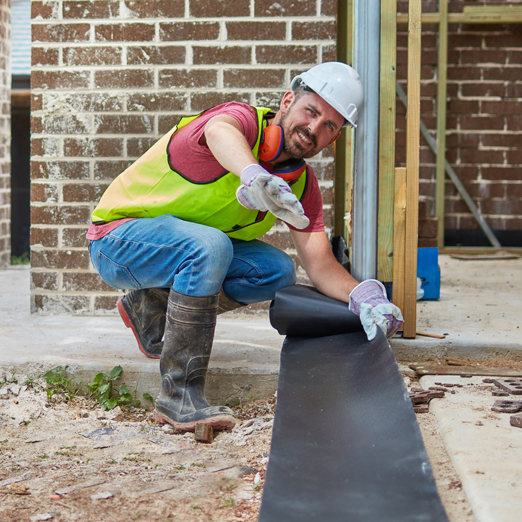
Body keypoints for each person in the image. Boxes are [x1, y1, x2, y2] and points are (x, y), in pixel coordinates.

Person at [86, 62, 403, 432]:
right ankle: (179, 398)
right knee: (211, 246)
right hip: (117, 238)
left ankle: (149, 309)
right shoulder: (241, 121)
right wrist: (252, 173)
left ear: (335, 137)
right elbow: (221, 132)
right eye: (310, 112)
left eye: (329, 126)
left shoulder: (301, 184)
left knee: (276, 271)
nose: (313, 129)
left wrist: (364, 295)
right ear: (287, 102)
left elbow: (319, 264)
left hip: (184, 248)